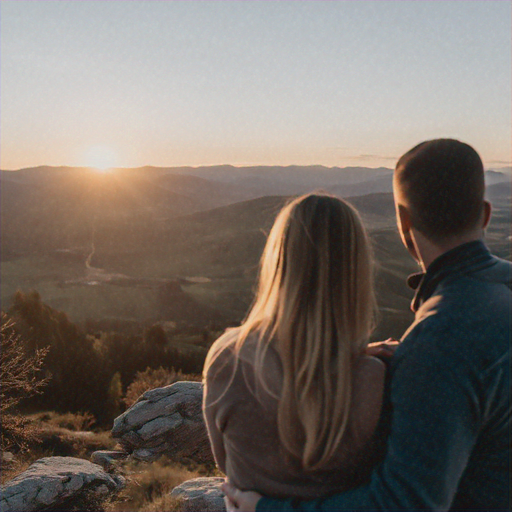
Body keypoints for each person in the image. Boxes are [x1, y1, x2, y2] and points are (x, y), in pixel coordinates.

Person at [222, 138, 512, 511]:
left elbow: (406, 503)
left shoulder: (440, 338)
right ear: (486, 214)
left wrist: (267, 509)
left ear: (404, 222)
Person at [203, 193, 389, 501]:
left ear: (278, 259)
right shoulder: (373, 378)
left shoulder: (227, 357)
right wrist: (352, 358)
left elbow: (224, 462)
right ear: (356, 271)